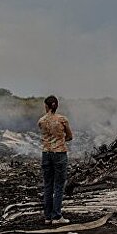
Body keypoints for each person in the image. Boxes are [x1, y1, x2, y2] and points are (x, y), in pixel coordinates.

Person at [38, 95, 73, 225]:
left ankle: (47, 217)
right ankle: (57, 216)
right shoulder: (62, 120)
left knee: (47, 185)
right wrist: (61, 139)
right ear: (56, 105)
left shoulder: (41, 121)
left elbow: (44, 134)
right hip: (59, 153)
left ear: (46, 106)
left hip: (46, 153)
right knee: (58, 185)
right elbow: (69, 136)